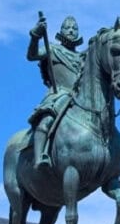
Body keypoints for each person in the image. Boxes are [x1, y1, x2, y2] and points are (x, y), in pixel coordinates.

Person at [25, 14, 85, 172]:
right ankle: (39, 157)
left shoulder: (83, 57)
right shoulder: (52, 49)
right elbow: (32, 55)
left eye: (74, 28)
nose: (71, 30)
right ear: (61, 30)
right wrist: (35, 35)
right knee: (47, 121)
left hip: (80, 98)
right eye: (67, 28)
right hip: (59, 94)